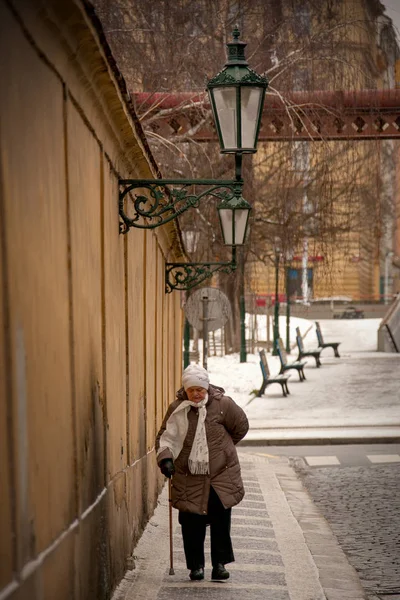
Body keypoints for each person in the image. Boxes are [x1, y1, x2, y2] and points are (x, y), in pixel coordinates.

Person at [155, 364, 249, 582]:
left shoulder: (223, 404)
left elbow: (241, 426)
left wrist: (224, 448)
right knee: (191, 523)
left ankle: (219, 565)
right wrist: (166, 459)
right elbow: (164, 437)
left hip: (220, 475)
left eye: (199, 389)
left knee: (220, 521)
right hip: (189, 476)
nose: (196, 394)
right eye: (191, 390)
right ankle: (195, 566)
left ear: (206, 387)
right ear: (185, 390)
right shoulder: (178, 408)